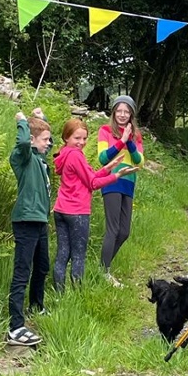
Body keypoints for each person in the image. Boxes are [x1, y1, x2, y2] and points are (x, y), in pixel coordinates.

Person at [53, 119, 138, 291]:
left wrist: (109, 167)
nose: (82, 143)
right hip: (77, 212)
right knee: (78, 255)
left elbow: (87, 175)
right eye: (77, 138)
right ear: (66, 137)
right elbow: (92, 183)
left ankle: (58, 294)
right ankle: (77, 293)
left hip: (61, 209)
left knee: (63, 253)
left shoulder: (64, 153)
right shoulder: (76, 155)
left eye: (84, 139)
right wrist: (116, 175)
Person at [7, 109, 52, 346]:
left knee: (42, 267)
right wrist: (23, 122)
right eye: (44, 139)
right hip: (25, 221)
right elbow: (24, 140)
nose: (48, 143)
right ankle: (15, 327)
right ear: (33, 140)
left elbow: (44, 142)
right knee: (22, 272)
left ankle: (36, 306)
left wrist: (42, 119)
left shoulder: (39, 158)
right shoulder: (22, 157)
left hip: (40, 221)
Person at [97, 96, 144, 287]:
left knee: (124, 231)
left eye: (126, 111)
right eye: (119, 111)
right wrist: (120, 141)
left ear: (131, 114)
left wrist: (129, 141)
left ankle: (103, 267)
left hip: (129, 183)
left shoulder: (136, 135)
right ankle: (104, 271)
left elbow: (140, 161)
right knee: (113, 228)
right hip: (112, 181)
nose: (123, 115)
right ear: (114, 112)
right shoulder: (105, 130)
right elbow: (102, 158)